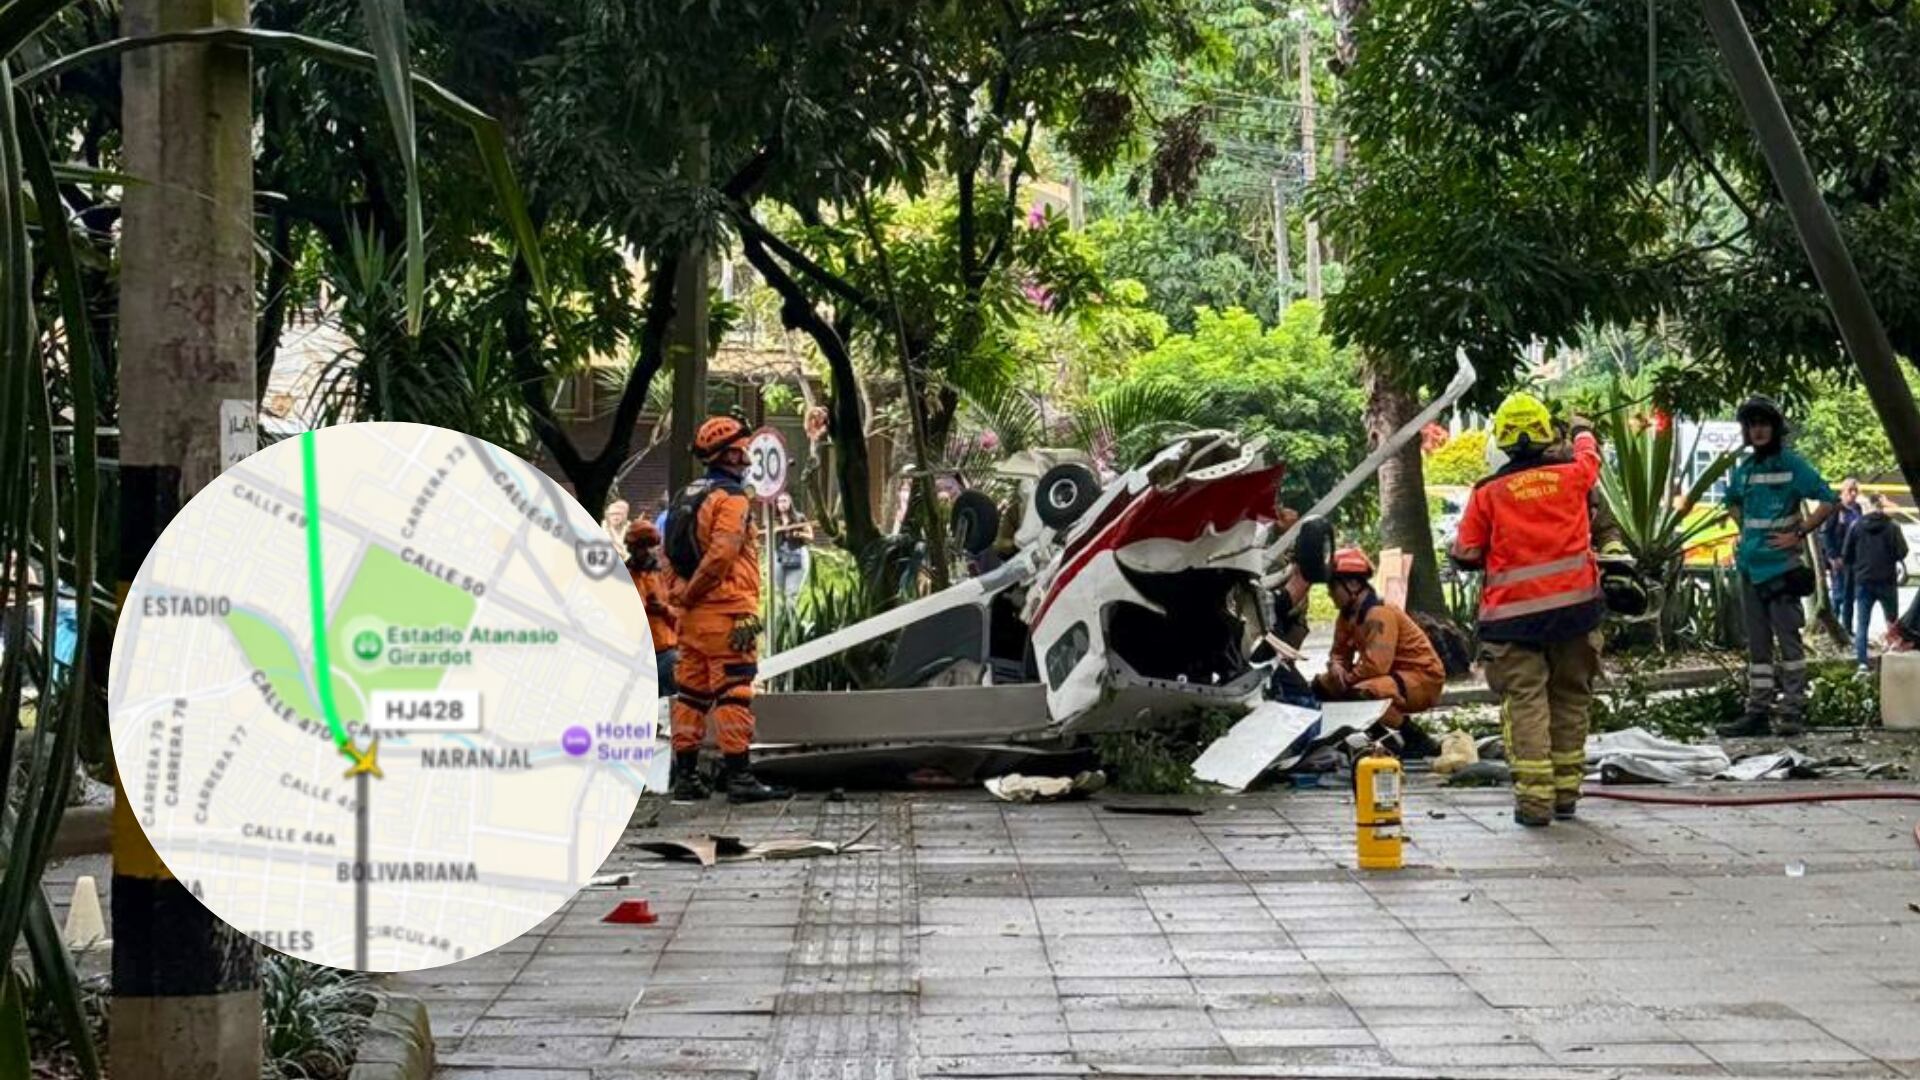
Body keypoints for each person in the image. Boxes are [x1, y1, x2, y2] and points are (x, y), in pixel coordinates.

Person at [1449, 393, 1605, 827]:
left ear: (1502, 439)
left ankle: (1535, 804)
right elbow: (1591, 457)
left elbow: (1466, 552)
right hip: (1576, 611)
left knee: (1527, 703)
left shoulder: (1488, 492)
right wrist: (1582, 429)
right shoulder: (1574, 474)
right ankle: (1566, 796)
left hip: (1513, 620)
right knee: (1572, 697)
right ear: (1544, 433)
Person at [663, 416, 790, 804]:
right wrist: (697, 590)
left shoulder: (688, 494)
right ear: (732, 452)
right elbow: (722, 554)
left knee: (692, 695)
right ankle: (739, 777)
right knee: (734, 691)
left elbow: (669, 552)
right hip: (728, 614)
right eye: (745, 447)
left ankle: (686, 778)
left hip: (691, 620)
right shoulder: (732, 499)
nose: (749, 454)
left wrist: (681, 595)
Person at [1716, 397, 1838, 739]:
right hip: (1750, 568)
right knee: (1758, 646)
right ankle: (1757, 712)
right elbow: (1732, 503)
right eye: (1751, 424)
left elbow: (1829, 500)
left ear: (1775, 429)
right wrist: (1747, 533)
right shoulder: (1746, 469)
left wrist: (1798, 532)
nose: (1757, 430)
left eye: (1763, 424)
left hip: (1781, 569)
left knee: (1789, 642)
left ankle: (1792, 710)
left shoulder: (1792, 465)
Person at [1312, 548, 1447, 757]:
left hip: (1421, 678)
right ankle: (1383, 739)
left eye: (1333, 586)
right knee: (1322, 686)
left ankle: (1417, 739)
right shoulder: (1347, 617)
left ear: (1354, 584)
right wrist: (1335, 668)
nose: (1330, 593)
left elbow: (1376, 666)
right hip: (1390, 678)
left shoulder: (1379, 614)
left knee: (1361, 694)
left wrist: (1346, 680)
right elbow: (1338, 653)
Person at [1843, 493, 1909, 672]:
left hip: (1863, 580)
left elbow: (1846, 554)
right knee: (1892, 620)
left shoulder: (1856, 526)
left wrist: (1858, 564)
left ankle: (1862, 662)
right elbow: (1903, 551)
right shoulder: (1892, 526)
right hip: (1887, 580)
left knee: (1862, 623)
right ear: (1881, 506)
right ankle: (1892, 655)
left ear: (1868, 507)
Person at [625, 519, 678, 697]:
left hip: (666, 651)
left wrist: (664, 609)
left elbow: (682, 614)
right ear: (631, 548)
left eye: (650, 546)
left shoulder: (665, 574)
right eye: (642, 546)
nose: (647, 551)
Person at [1821, 478, 1864, 632]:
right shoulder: (1836, 509)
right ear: (1843, 492)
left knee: (1850, 596)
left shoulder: (1857, 509)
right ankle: (1832, 628)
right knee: (1839, 594)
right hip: (1838, 558)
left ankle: (1847, 628)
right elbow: (1826, 533)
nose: (1852, 494)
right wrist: (1832, 557)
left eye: (1855, 491)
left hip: (1854, 558)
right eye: (1849, 491)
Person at [772, 492, 814, 599]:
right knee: (778, 592)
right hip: (779, 556)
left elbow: (811, 535)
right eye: (779, 502)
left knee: (791, 594)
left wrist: (798, 534)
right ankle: (780, 616)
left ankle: (790, 615)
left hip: (797, 554)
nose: (782, 504)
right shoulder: (774, 521)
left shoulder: (800, 517)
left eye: (784, 501)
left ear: (790, 502)